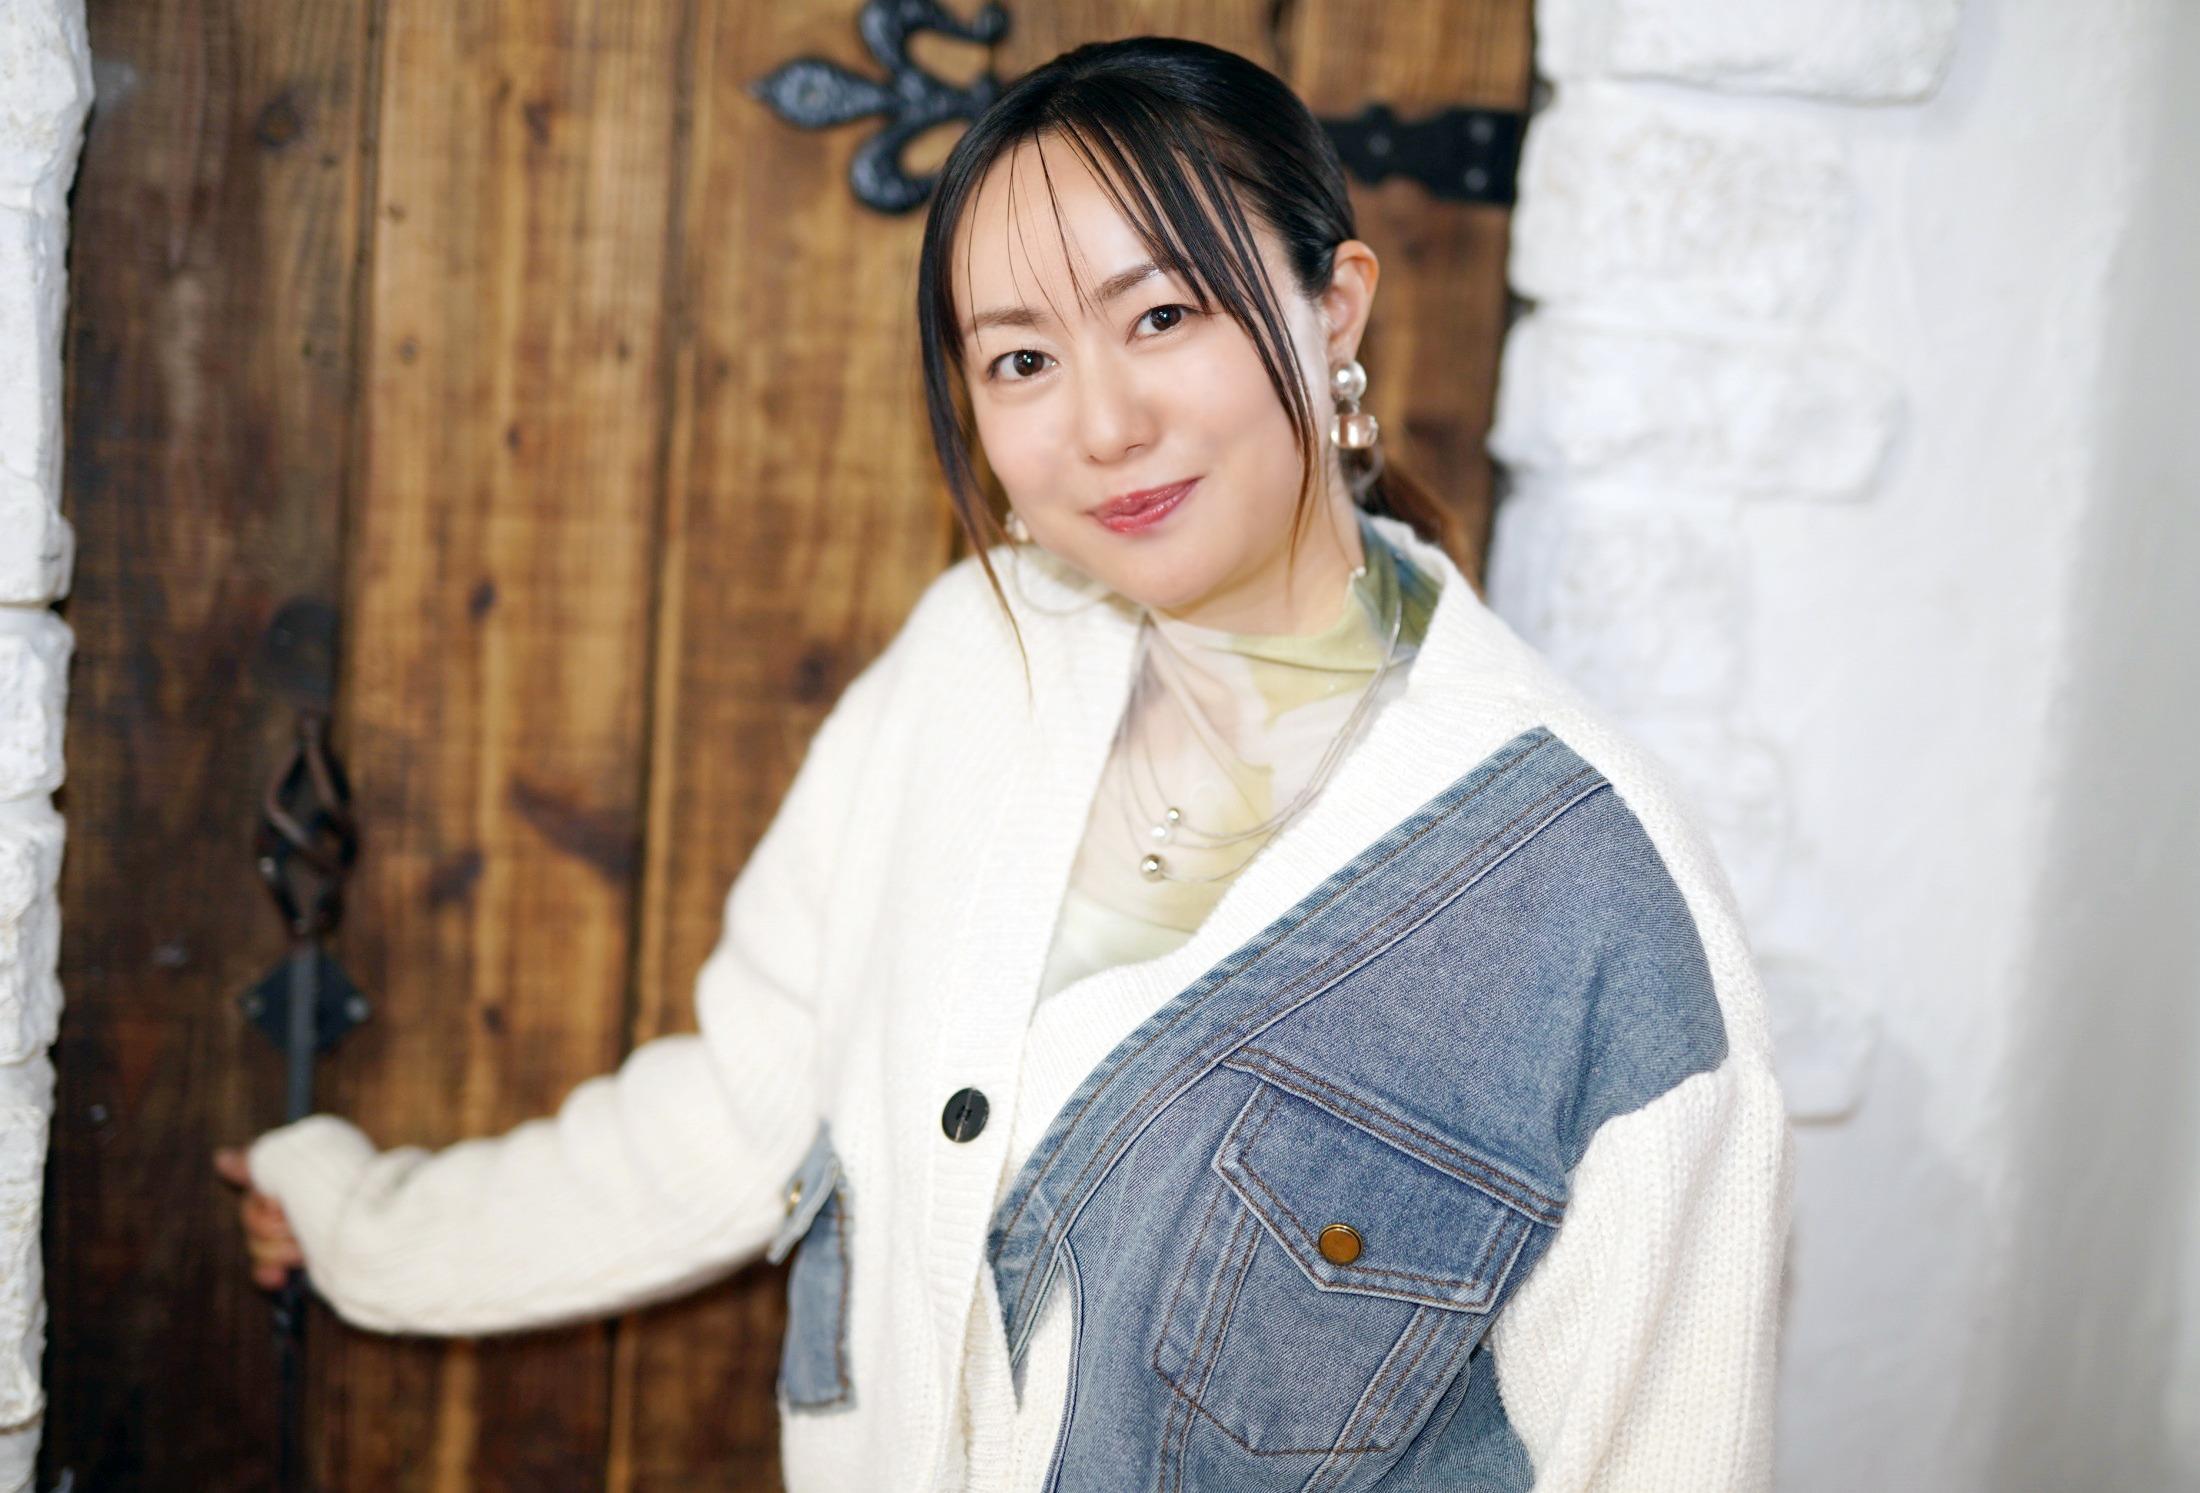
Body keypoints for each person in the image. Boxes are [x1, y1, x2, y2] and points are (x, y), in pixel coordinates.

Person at [216, 36, 1792, 1492]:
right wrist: (367, 1228)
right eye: (1020, 359)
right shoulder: (975, 659)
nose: (1101, 424)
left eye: (1162, 316)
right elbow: (742, 1116)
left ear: (1336, 308)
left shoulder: (1597, 907)